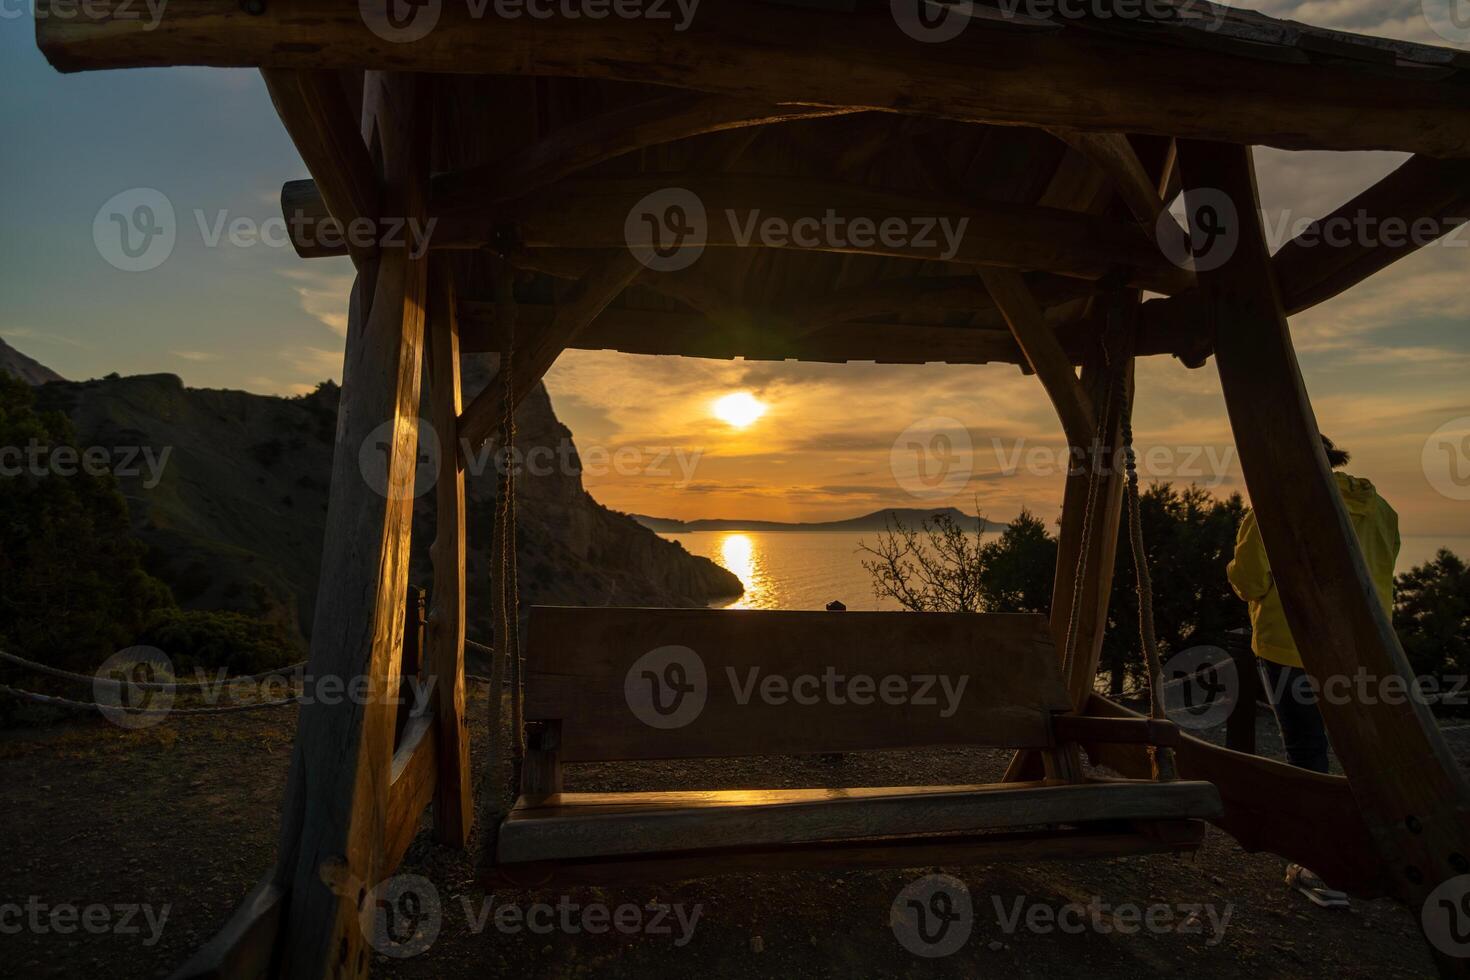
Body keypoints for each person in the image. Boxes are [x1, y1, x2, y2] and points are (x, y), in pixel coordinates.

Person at [1226, 434, 1400, 907]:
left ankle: (1321, 866)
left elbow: (1250, 581)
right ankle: (1389, 853)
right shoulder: (1380, 508)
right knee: (1362, 752)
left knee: (1307, 751)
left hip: (1291, 647)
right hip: (1362, 649)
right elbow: (1383, 575)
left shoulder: (1269, 509)